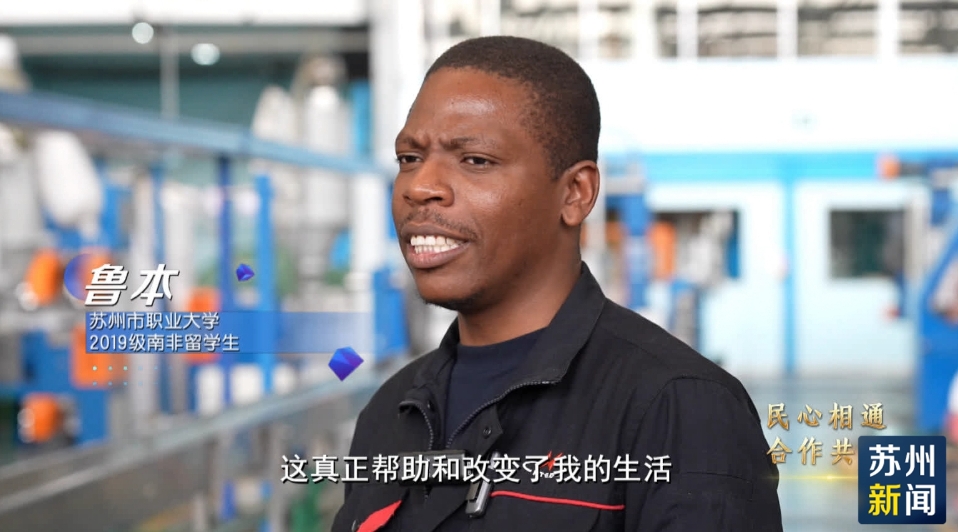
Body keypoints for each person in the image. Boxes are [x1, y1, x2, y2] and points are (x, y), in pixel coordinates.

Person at [332, 36, 783, 532]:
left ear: (575, 193)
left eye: (475, 160)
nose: (420, 187)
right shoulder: (391, 413)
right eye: (409, 159)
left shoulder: (678, 410)